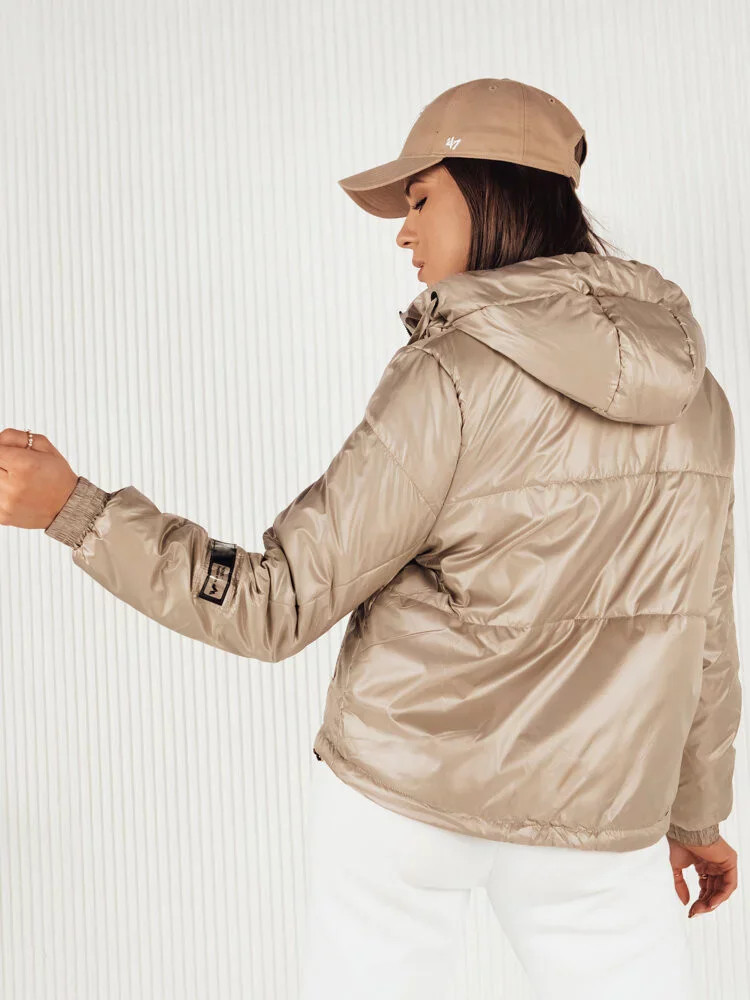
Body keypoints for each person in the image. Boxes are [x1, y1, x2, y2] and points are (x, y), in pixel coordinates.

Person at [1, 78, 740, 1000]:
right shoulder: (699, 399)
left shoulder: (451, 375)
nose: (402, 232)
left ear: (495, 190)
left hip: (410, 800)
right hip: (603, 814)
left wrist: (75, 510)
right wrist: (698, 815)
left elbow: (275, 604)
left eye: (420, 199)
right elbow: (704, 627)